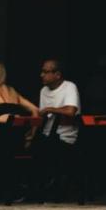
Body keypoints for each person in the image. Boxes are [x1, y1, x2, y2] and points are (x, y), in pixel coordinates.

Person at [34, 59, 81, 198]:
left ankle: (54, 189)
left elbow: (71, 111)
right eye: (41, 71)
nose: (41, 74)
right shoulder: (43, 90)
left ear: (57, 75)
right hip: (46, 135)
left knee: (47, 150)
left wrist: (50, 109)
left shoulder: (69, 87)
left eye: (45, 71)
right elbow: (42, 117)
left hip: (65, 137)